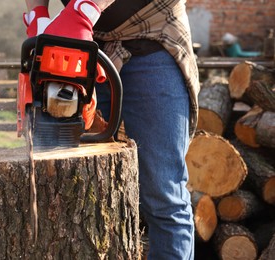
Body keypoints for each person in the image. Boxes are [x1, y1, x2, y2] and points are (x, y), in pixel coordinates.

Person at [23, 0, 200, 259]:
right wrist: (37, 15)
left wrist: (84, 10)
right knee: (87, 188)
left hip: (152, 33)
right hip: (88, 41)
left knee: (163, 195)